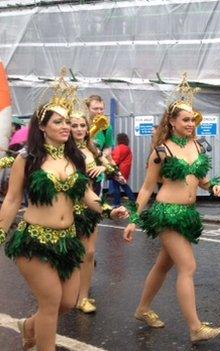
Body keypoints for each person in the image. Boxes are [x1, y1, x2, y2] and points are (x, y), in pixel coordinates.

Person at [0, 70, 127, 350]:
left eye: (67, 122)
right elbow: (11, 201)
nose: (66, 126)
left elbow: (85, 194)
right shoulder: (28, 158)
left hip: (67, 241)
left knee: (68, 302)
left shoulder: (75, 158)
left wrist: (107, 209)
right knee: (50, 303)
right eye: (58, 121)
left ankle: (27, 326)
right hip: (35, 241)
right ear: (42, 127)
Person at [123, 74, 220, 343]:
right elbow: (147, 188)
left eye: (193, 120)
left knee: (163, 264)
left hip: (188, 214)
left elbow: (201, 179)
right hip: (167, 213)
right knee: (188, 266)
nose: (191, 124)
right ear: (171, 122)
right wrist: (134, 218)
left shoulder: (197, 145)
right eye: (186, 120)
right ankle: (195, 328)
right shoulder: (161, 151)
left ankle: (142, 309)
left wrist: (213, 186)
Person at [69, 104, 123, 314]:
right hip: (69, 207)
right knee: (73, 253)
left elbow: (109, 166)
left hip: (92, 205)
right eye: (75, 125)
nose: (80, 129)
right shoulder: (64, 151)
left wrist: (104, 167)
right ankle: (70, 291)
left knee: (90, 252)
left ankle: (83, 297)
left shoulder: (91, 148)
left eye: (83, 125)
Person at [85, 95, 114, 196]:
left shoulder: (106, 127)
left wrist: (100, 154)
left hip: (96, 173)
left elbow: (108, 147)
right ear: (87, 109)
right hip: (78, 170)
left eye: (101, 109)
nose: (99, 112)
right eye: (95, 108)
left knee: (95, 204)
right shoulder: (80, 125)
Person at [110, 132, 137, 207]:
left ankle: (117, 203)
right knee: (124, 186)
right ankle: (133, 201)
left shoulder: (120, 148)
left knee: (116, 187)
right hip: (124, 170)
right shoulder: (126, 148)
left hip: (118, 171)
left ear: (119, 139)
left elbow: (115, 160)